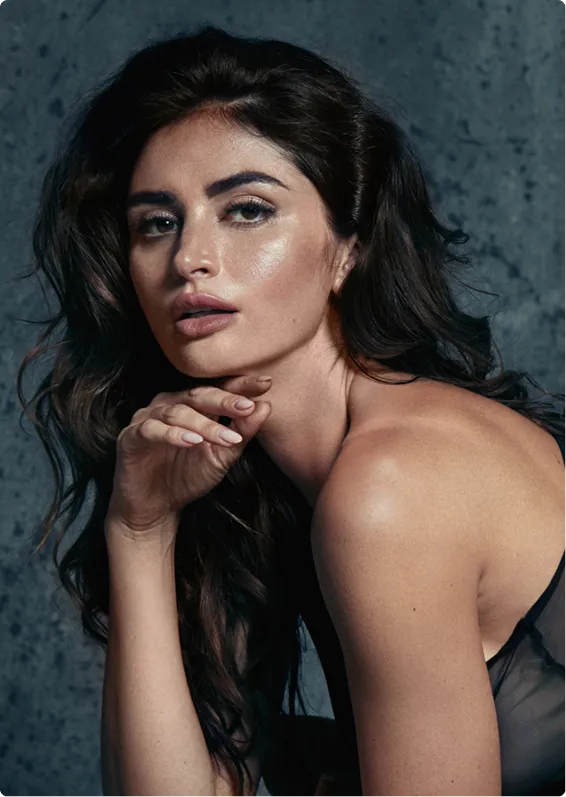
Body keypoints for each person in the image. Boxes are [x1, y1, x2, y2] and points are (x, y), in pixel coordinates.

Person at [15, 24, 564, 797]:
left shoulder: (393, 485)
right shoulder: (242, 474)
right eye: (157, 222)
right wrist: (139, 530)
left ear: (349, 248)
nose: (189, 258)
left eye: (245, 210)